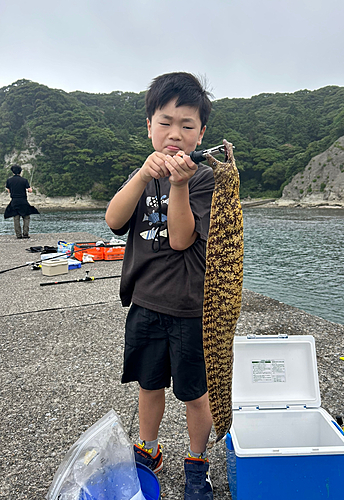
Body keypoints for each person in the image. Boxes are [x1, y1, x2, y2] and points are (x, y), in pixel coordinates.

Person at [105, 72, 215, 499]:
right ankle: (147, 450)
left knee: (194, 393)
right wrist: (140, 175)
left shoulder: (204, 178)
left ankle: (196, 461)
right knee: (149, 386)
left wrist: (179, 185)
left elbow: (181, 239)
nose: (175, 134)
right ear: (148, 125)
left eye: (187, 126)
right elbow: (114, 221)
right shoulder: (143, 175)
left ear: (201, 133)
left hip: (191, 308)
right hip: (146, 303)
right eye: (165, 122)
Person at [4, 164, 39, 238]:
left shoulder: (9, 180)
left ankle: (18, 235)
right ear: (20, 172)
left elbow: (8, 191)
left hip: (14, 201)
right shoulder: (24, 180)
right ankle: (25, 234)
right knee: (26, 217)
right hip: (23, 201)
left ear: (12, 172)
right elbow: (30, 190)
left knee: (16, 218)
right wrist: (30, 189)